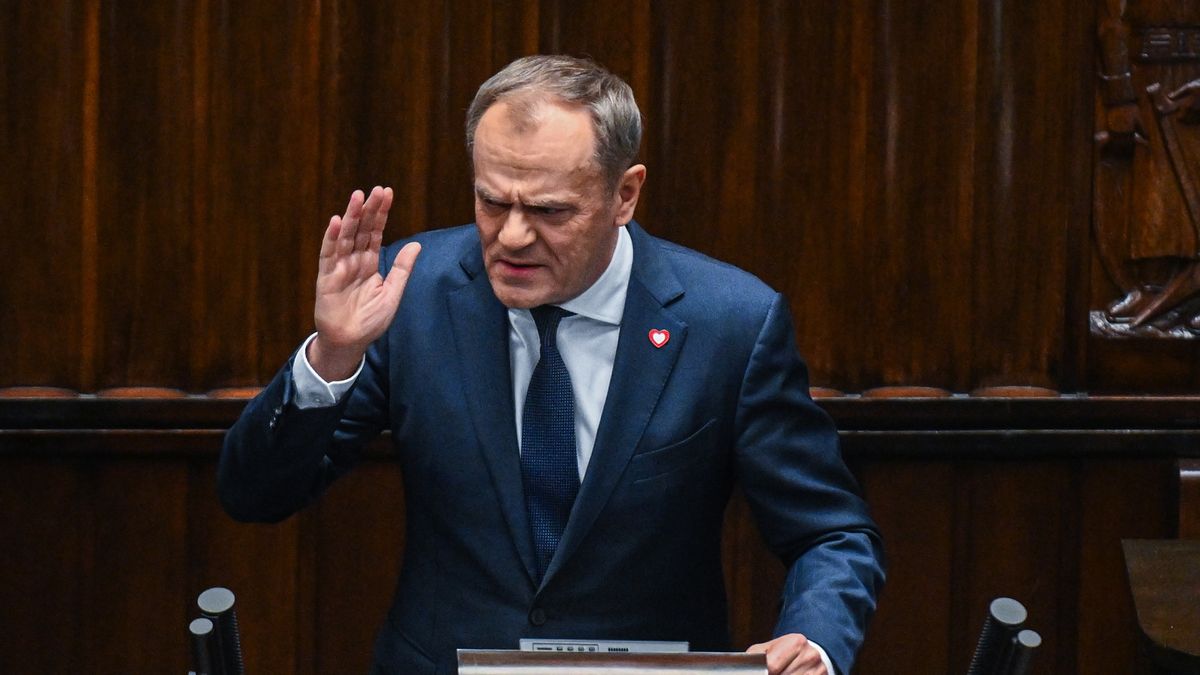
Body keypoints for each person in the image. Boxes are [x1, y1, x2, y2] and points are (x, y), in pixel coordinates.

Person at [220, 55, 884, 675]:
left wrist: (816, 641)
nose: (511, 236)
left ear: (626, 194)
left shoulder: (730, 323)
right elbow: (255, 493)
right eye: (491, 201)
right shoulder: (409, 295)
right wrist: (332, 356)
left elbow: (832, 533)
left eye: (548, 210)